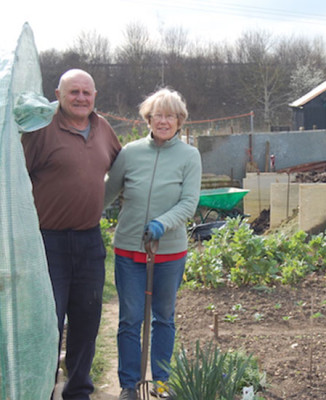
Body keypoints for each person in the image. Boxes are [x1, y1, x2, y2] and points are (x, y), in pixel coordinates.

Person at [21, 68, 122, 399]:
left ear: (95, 96)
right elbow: (17, 177)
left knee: (87, 319)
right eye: (73, 92)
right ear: (58, 95)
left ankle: (78, 390)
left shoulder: (103, 129)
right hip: (47, 244)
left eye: (86, 92)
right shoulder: (41, 129)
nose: (81, 98)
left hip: (89, 241)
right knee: (47, 324)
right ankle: (43, 389)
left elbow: (124, 170)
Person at [104, 87, 202, 400]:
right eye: (158, 115)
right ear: (148, 118)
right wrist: (82, 215)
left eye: (170, 115)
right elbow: (106, 194)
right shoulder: (130, 153)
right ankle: (129, 385)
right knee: (130, 318)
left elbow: (189, 202)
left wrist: (163, 223)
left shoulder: (189, 156)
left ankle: (161, 383)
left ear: (179, 121)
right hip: (129, 249)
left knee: (164, 317)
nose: (164, 121)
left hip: (169, 251)